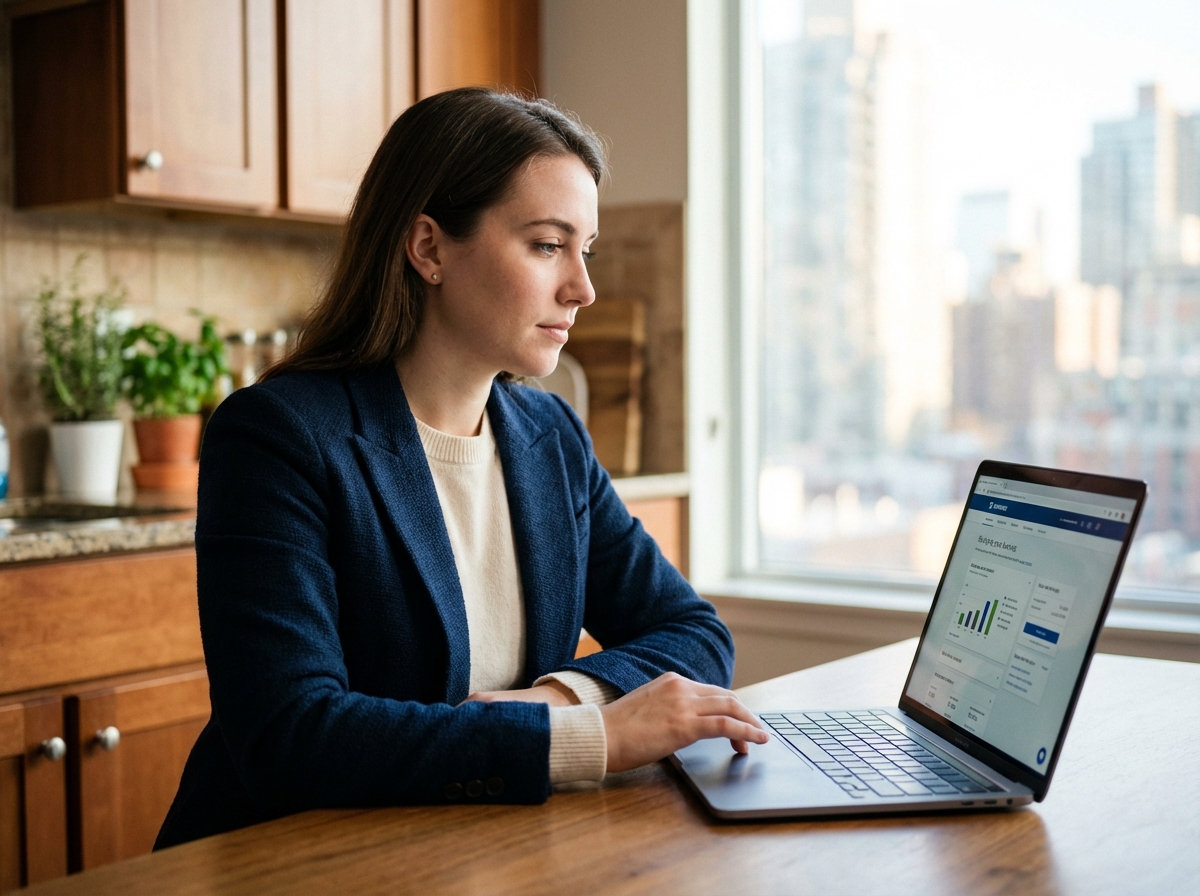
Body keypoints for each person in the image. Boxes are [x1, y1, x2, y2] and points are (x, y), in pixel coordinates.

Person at [155, 88, 768, 849]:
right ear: (430, 248)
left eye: (585, 250)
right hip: (289, 860)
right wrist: (595, 738)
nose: (582, 289)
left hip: (479, 849)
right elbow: (290, 734)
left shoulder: (551, 436)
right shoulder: (278, 436)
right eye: (547, 245)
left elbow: (693, 632)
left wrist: (557, 702)